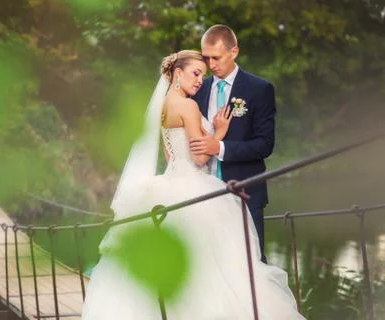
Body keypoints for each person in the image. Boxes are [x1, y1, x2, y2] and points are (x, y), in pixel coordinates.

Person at [81, 50, 304, 319]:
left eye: (203, 75)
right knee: (213, 267)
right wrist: (220, 132)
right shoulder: (188, 106)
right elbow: (198, 158)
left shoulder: (163, 106)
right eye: (196, 73)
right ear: (178, 73)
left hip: (168, 182)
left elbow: (169, 155)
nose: (200, 80)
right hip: (192, 184)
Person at [191, 25, 276, 263]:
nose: (211, 65)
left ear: (234, 51)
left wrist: (219, 148)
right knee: (209, 265)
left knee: (251, 265)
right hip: (204, 194)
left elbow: (265, 144)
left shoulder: (259, 89)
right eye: (206, 58)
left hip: (245, 194)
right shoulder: (199, 90)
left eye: (216, 57)